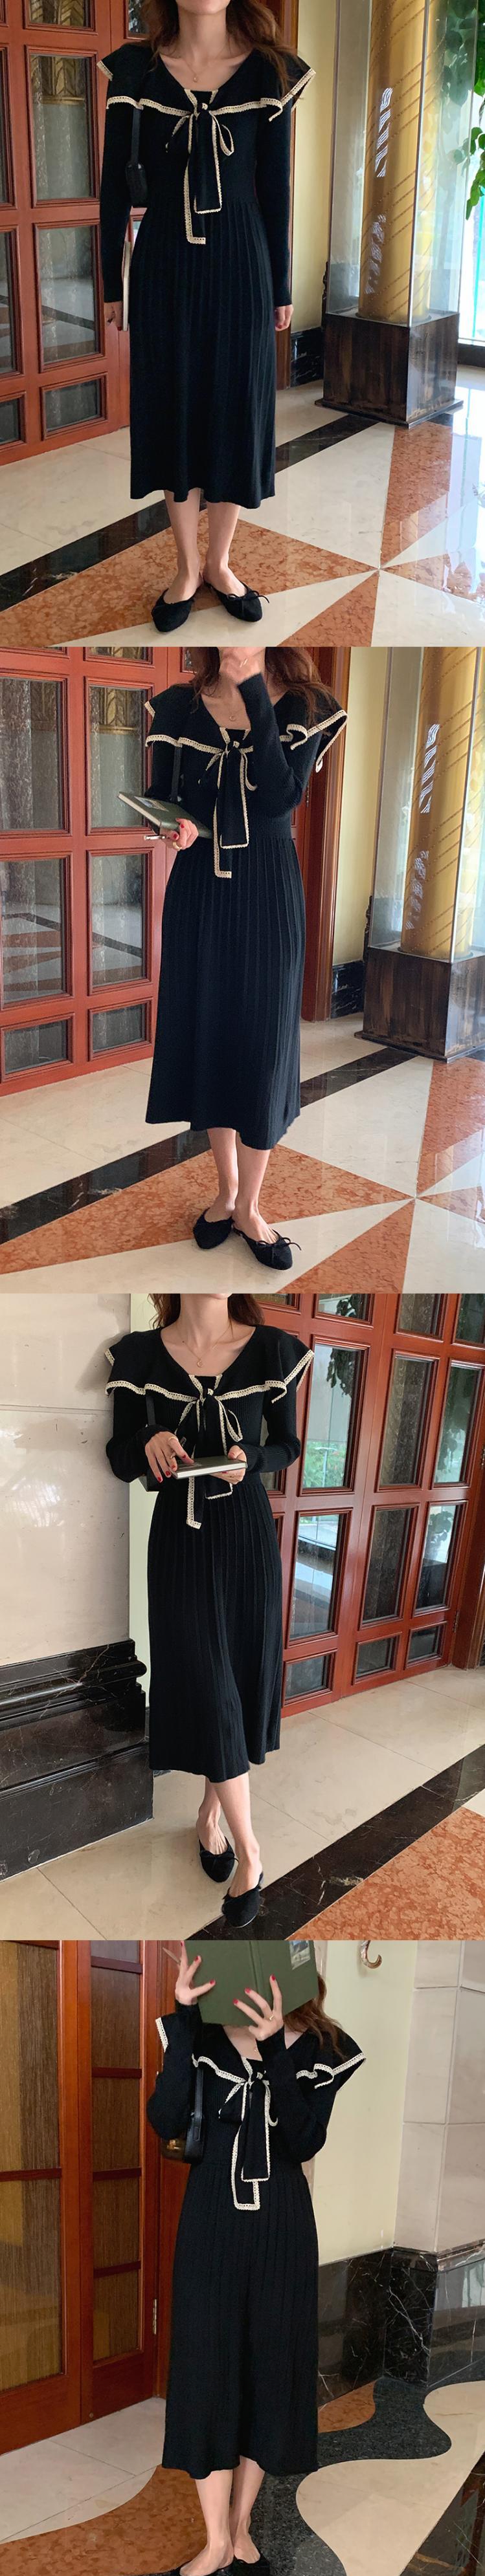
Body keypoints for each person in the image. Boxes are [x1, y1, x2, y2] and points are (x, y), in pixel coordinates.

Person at [147, 1939, 365, 2576]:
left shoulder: (322, 2047)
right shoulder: (195, 2035)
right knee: (208, 2371)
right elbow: (164, 2117)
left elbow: (303, 2139)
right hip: (210, 2224)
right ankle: (215, 2541)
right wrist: (185, 2015)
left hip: (281, 2231)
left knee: (268, 2373)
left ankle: (240, 2529)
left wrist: (274, 2049)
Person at [99, 0, 313, 629]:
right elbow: (113, 187)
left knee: (234, 411)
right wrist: (111, 281)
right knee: (173, 408)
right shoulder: (135, 71)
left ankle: (220, 563)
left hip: (242, 264)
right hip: (164, 263)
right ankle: (186, 568)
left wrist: (280, 285)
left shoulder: (269, 72)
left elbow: (275, 189)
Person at [106, 1291, 313, 1923]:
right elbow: (117, 1456)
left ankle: (208, 1814)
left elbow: (288, 1445)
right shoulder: (139, 1355)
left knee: (235, 1683)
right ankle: (251, 1856)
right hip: (180, 1539)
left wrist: (253, 1460)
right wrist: (148, 1440)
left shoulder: (271, 1349)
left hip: (246, 1536)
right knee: (207, 1685)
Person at [144, 645, 347, 1269]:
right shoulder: (178, 705)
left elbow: (280, 798)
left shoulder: (308, 705)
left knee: (262, 1047)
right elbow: (162, 796)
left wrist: (254, 691)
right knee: (211, 1036)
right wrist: (173, 827)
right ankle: (227, 1192)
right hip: (199, 892)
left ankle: (251, 1207)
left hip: (267, 891)